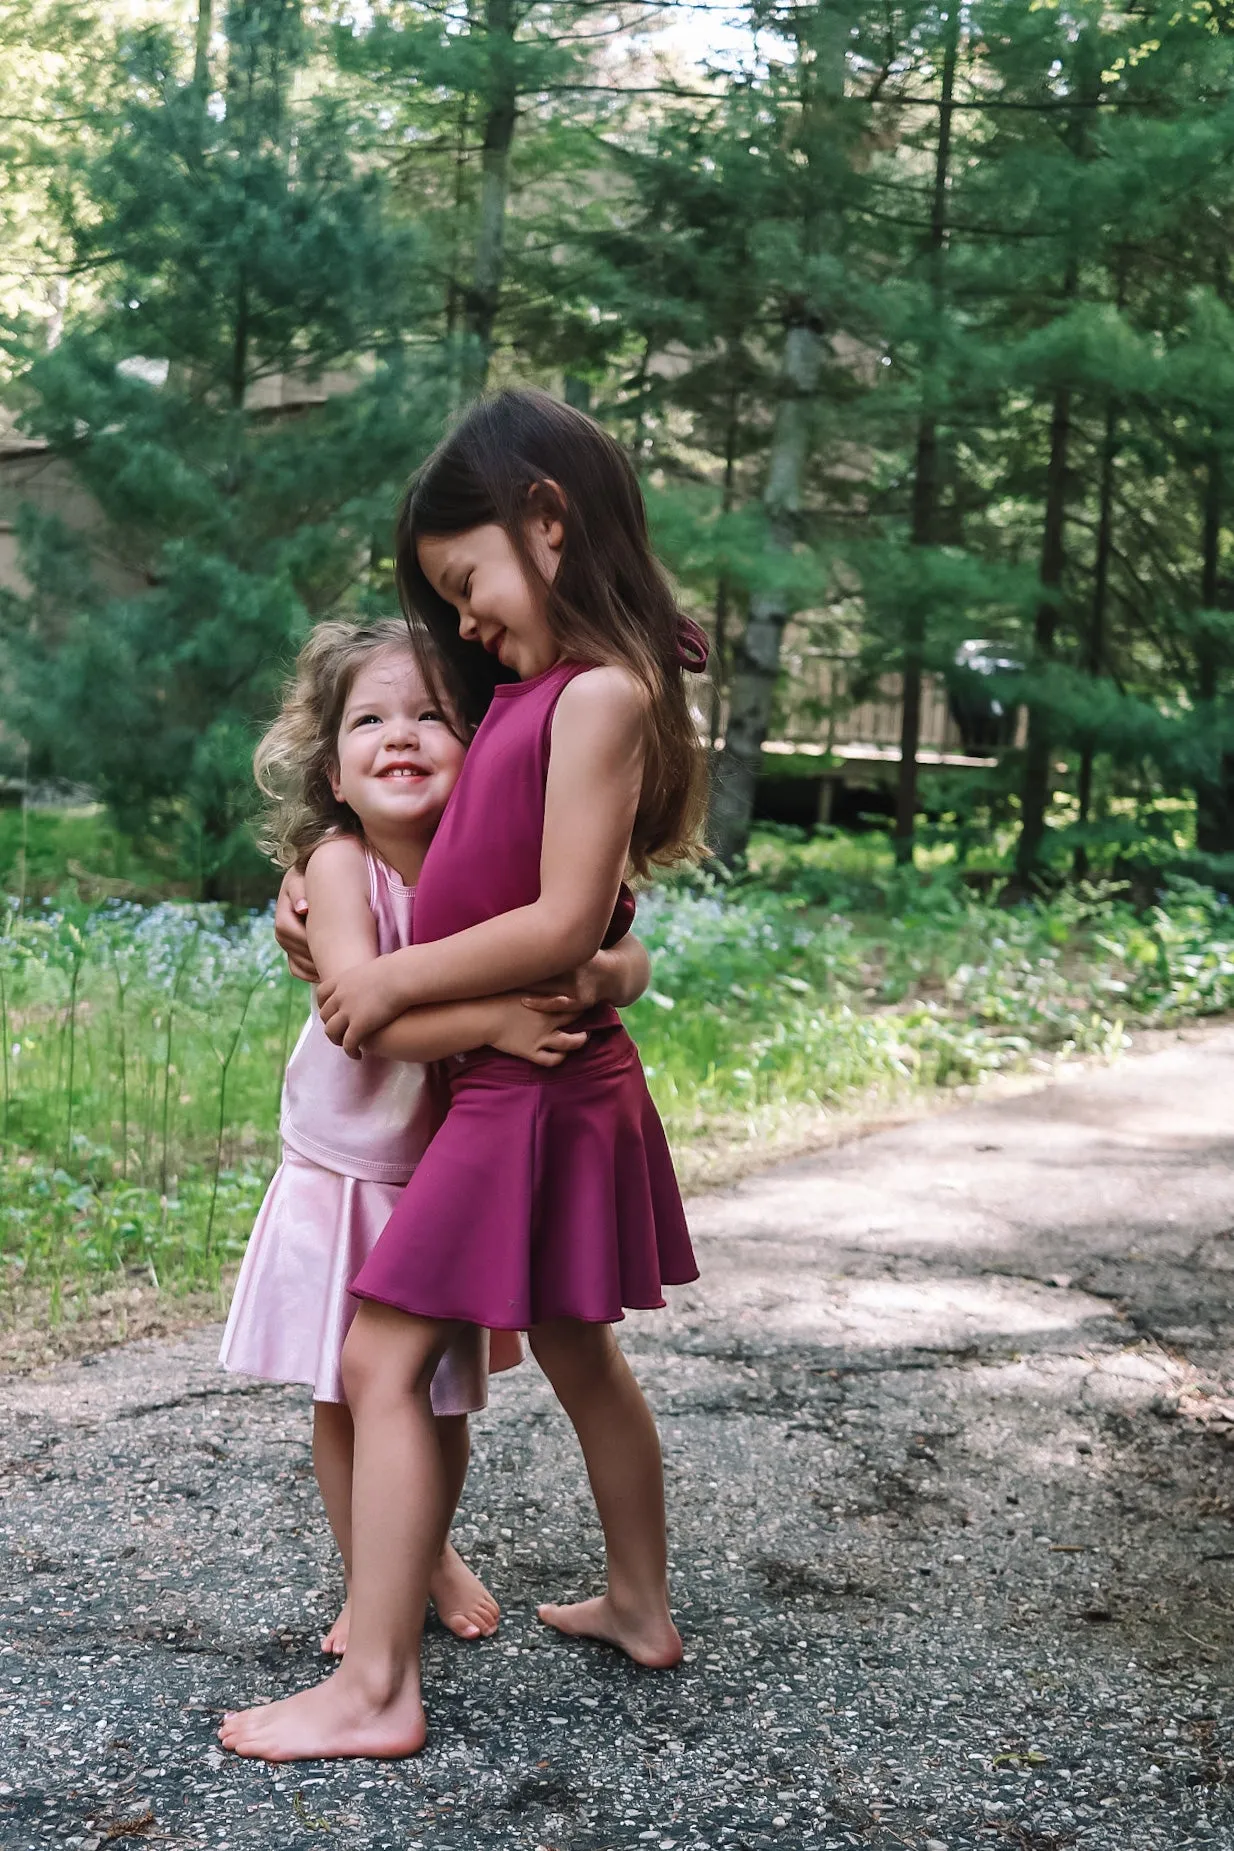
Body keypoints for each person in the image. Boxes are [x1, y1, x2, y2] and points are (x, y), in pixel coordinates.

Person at [220, 388, 708, 1762]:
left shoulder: (598, 692)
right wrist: (313, 889)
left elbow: (563, 921)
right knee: (570, 1345)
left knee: (381, 1354)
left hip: (529, 1095)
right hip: (540, 1081)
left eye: (467, 583)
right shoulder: (537, 693)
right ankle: (635, 1600)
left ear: (546, 521)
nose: (468, 620)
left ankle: (376, 1682)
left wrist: (387, 981)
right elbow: (488, 879)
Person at [220, 616, 650, 1657]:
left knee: (438, 1398)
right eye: (369, 720)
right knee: (346, 1395)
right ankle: (379, 1582)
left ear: (484, 750)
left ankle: (421, 1550)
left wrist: (600, 974)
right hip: (346, 1169)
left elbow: (623, 945)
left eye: (431, 716)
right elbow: (361, 1021)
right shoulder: (336, 866)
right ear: (331, 768)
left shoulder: (496, 869)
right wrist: (498, 1022)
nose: (400, 736)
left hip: (443, 1173)